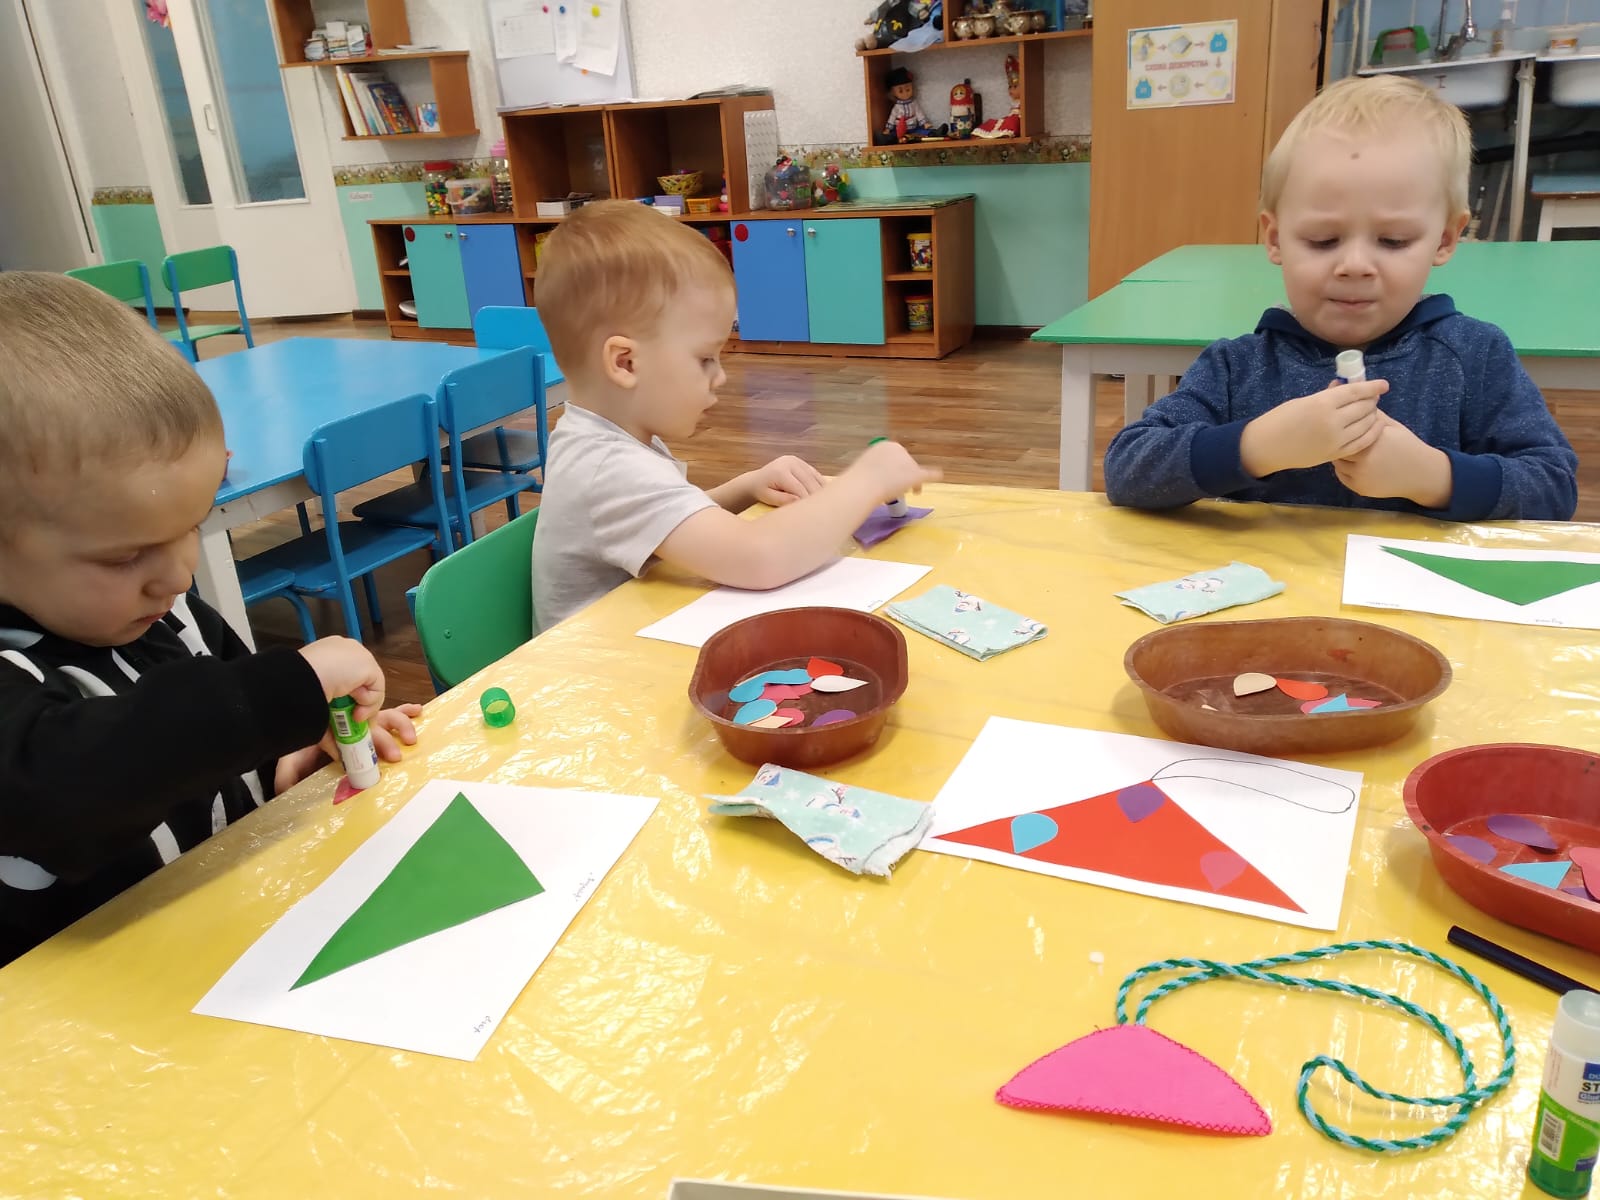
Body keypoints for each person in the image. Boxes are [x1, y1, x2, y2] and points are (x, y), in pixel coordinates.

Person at [0, 271, 421, 966]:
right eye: (125, 556)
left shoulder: (163, 614)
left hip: (230, 941)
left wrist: (286, 755)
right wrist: (283, 694)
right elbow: (70, 786)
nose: (177, 576)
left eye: (193, 526)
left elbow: (214, 733)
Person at [1102, 75, 1577, 522]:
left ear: (1445, 239)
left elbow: (1554, 488)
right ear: (1275, 239)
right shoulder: (1237, 367)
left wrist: (1435, 477)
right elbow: (1126, 471)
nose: (1354, 265)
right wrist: (1256, 446)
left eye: (1393, 241)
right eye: (1323, 240)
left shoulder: (1475, 356)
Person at [530, 201, 938, 633]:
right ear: (625, 363)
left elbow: (666, 520)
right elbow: (761, 557)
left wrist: (745, 486)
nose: (721, 376)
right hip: (600, 667)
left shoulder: (602, 437)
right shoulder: (608, 468)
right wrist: (867, 481)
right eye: (705, 358)